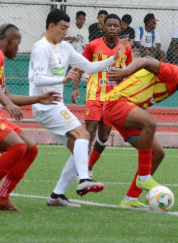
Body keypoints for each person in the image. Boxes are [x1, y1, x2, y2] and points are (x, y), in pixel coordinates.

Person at [29, 9, 126, 207]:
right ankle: (84, 179)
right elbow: (37, 78)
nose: (65, 32)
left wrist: (114, 58)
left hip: (55, 106)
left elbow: (89, 67)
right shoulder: (41, 47)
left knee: (78, 147)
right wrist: (63, 79)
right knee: (84, 135)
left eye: (67, 28)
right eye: (63, 28)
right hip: (44, 105)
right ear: (51, 26)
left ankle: (57, 195)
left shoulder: (65, 48)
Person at [103, 57, 178, 208]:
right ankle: (144, 177)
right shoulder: (174, 73)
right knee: (150, 122)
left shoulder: (177, 84)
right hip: (116, 104)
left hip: (128, 110)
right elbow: (146, 61)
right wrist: (126, 72)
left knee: (158, 153)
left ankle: (130, 199)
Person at [0, 24, 61, 214]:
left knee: (30, 149)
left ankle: (2, 197)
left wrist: (38, 98)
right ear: (10, 39)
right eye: (18, 44)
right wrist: (8, 105)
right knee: (18, 147)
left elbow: (5, 96)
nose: (18, 49)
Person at [71, 13, 133, 181]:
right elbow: (81, 67)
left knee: (103, 137)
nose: (112, 28)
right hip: (94, 93)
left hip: (113, 98)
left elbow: (130, 70)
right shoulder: (93, 45)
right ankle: (82, 171)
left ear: (120, 28)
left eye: (115, 25)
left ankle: (89, 166)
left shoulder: (125, 47)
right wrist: (75, 88)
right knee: (90, 131)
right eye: (109, 25)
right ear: (103, 27)